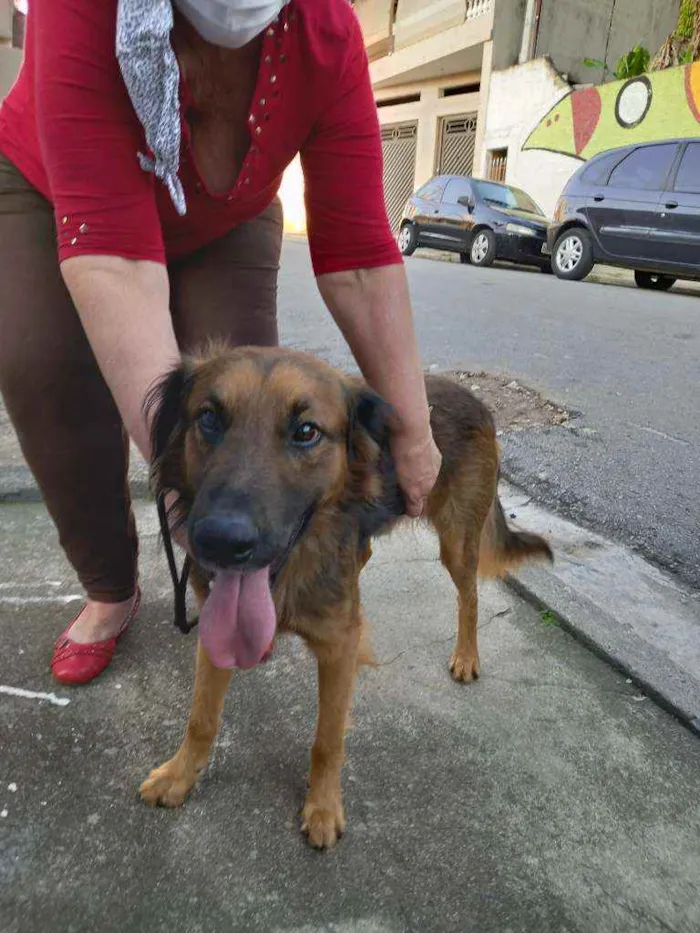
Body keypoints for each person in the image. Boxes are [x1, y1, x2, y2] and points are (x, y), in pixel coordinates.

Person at [0, 0, 441, 686]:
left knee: (250, 407)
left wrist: (414, 434)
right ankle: (110, 587)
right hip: (52, 184)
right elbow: (116, 261)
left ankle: (243, 588)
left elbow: (358, 258)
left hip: (225, 209)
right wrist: (183, 481)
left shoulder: (329, 32)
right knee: (42, 365)